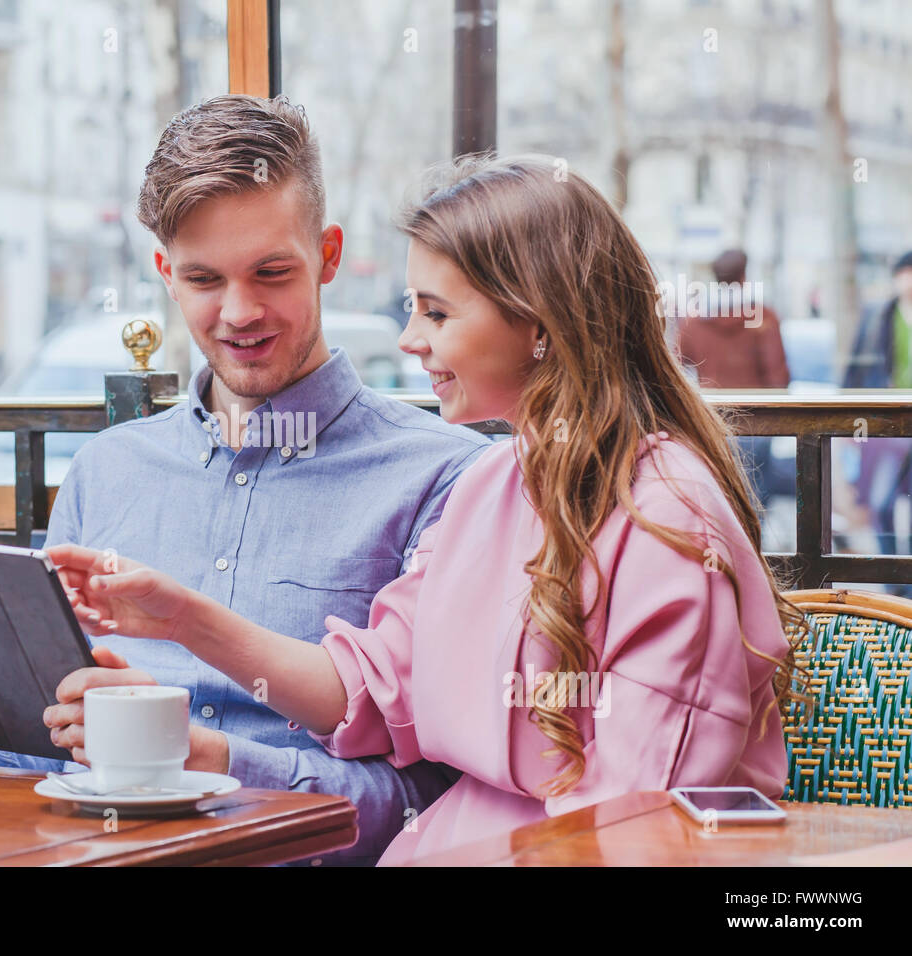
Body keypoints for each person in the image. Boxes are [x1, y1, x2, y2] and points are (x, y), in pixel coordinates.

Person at [49, 154, 807, 865]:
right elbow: (369, 689)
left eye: (438, 314)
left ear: (538, 325)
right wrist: (184, 617)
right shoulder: (494, 483)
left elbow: (632, 827)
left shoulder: (667, 522)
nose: (410, 340)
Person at [0, 95, 490, 865]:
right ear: (165, 273)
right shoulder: (106, 470)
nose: (240, 311)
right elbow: (46, 759)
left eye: (272, 272)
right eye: (203, 278)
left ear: (328, 257)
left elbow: (433, 805)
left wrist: (218, 765)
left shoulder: (445, 478)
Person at [675, 248, 790, 512]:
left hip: (714, 421)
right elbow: (778, 376)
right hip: (757, 422)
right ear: (744, 275)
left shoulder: (695, 321)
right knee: (755, 496)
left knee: (721, 496)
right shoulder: (763, 318)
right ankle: (757, 549)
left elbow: (676, 365)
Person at [842, 251, 912, 575]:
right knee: (881, 503)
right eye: (904, 273)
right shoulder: (878, 316)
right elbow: (855, 370)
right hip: (885, 427)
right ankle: (892, 578)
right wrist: (848, 424)